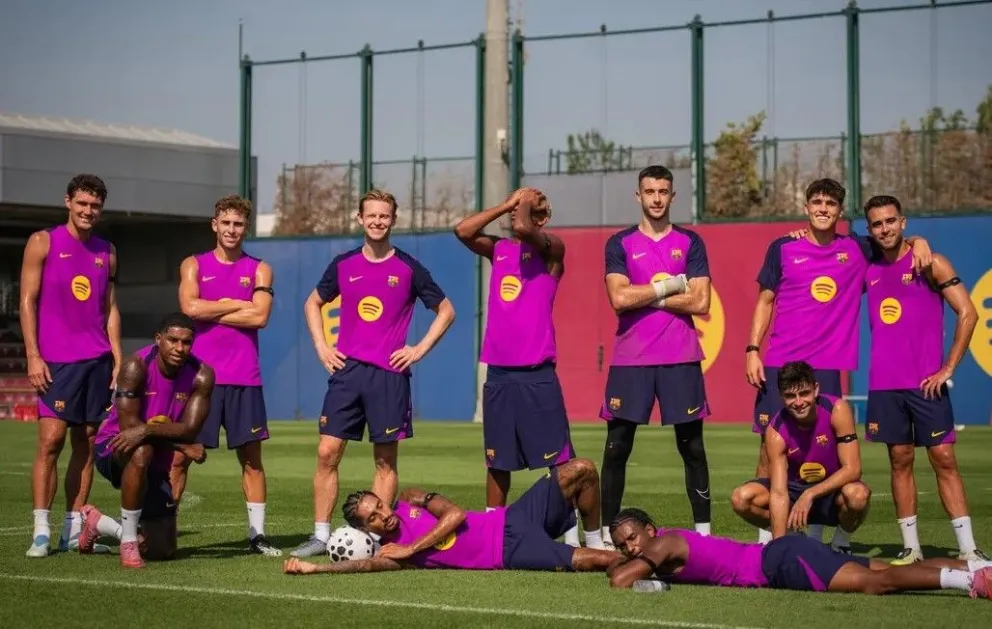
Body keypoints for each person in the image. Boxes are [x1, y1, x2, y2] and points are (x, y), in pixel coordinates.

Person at [745, 178, 933, 543]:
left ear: (840, 211)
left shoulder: (857, 249)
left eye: (830, 204)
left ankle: (836, 538)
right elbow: (765, 301)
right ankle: (767, 543)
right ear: (806, 208)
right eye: (816, 202)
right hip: (780, 361)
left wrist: (919, 241)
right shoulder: (782, 247)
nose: (823, 209)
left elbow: (893, 240)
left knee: (829, 447)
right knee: (768, 446)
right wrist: (752, 349)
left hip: (826, 367)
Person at [289, 189, 456, 558]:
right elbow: (312, 303)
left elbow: (446, 310)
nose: (378, 221)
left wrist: (418, 349)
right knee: (327, 451)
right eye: (372, 215)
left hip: (389, 377)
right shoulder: (343, 264)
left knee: (384, 461)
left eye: (384, 216)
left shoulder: (409, 268)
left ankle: (377, 541)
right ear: (360, 219)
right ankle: (320, 536)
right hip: (347, 373)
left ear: (393, 220)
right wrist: (322, 346)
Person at [453, 187, 591, 548]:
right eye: (515, 211)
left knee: (559, 458)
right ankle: (492, 533)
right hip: (499, 372)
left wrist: (525, 204)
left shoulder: (552, 251)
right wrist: (506, 204)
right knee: (497, 461)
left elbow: (526, 229)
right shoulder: (499, 250)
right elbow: (462, 230)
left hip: (537, 373)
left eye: (528, 211)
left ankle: (571, 535)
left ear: (543, 218)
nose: (518, 216)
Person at [862, 194, 989, 564]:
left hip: (925, 384)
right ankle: (911, 548)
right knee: (899, 459)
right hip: (885, 384)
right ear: (870, 229)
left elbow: (968, 313)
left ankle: (968, 549)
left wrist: (948, 368)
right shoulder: (867, 265)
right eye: (877, 224)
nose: (884, 228)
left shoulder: (931, 262)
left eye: (891, 221)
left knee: (944, 457)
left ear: (903, 222)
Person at [600, 165, 712, 543]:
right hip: (631, 358)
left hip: (681, 356)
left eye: (663, 191)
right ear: (639, 196)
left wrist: (647, 294)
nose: (657, 198)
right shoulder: (619, 243)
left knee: (692, 447)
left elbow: (701, 301)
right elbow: (619, 298)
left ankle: (703, 535)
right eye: (650, 192)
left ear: (672, 196)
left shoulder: (691, 242)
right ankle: (607, 535)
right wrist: (672, 286)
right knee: (617, 447)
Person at [282, 458, 620, 575]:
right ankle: (641, 560)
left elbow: (455, 513)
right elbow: (363, 566)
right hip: (508, 552)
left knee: (582, 469)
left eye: (379, 506)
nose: (383, 515)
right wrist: (317, 568)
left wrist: (412, 547)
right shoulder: (392, 554)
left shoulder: (408, 498)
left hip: (512, 517)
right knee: (598, 562)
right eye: (372, 518)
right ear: (364, 529)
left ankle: (595, 537)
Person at [20, 174, 122, 557]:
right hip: (56, 361)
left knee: (87, 443)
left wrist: (117, 356)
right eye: (82, 203)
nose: (88, 211)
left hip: (97, 361)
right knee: (51, 441)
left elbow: (110, 308)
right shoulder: (42, 242)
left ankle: (72, 530)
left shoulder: (107, 251)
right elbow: (27, 301)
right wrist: (33, 354)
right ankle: (41, 531)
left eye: (95, 205)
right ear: (68, 202)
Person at [172, 194, 280, 556]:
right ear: (214, 225)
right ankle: (163, 529)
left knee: (251, 459)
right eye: (226, 223)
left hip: (244, 377)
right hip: (200, 379)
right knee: (181, 456)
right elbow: (189, 308)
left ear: (245, 228)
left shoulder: (260, 269)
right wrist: (237, 303)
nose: (232, 230)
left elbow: (260, 317)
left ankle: (257, 536)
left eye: (238, 224)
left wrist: (213, 308)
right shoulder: (193, 264)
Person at [76, 313, 215, 569]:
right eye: (172, 340)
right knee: (142, 451)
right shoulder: (135, 367)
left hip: (155, 456)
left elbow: (189, 430)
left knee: (162, 550)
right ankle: (128, 541)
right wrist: (179, 445)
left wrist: (150, 431)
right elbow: (129, 430)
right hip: (114, 447)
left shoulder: (202, 375)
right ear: (158, 339)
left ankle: (98, 522)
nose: (179, 348)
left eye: (186, 342)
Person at [606, 508, 992, 598]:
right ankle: (980, 565)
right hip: (784, 552)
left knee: (876, 583)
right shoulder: (664, 543)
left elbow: (620, 580)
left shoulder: (663, 544)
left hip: (779, 564)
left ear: (650, 529)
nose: (630, 547)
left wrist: (626, 565)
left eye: (632, 538)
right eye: (622, 545)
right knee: (888, 569)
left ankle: (970, 580)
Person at [731, 361, 871, 551]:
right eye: (790, 396)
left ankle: (841, 541)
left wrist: (810, 494)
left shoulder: (837, 410)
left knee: (858, 495)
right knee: (741, 498)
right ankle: (791, 537)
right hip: (793, 493)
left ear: (816, 389)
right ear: (781, 396)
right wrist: (780, 547)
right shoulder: (775, 431)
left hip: (832, 492)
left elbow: (853, 469)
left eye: (804, 393)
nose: (798, 403)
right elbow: (779, 492)